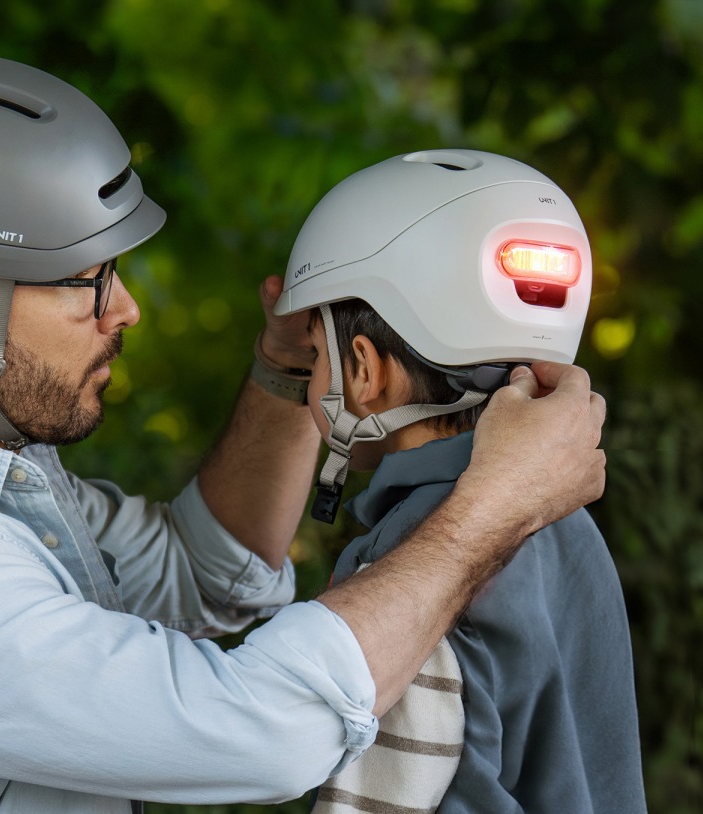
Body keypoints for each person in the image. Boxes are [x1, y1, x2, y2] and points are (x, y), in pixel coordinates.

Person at [0, 52, 607, 813]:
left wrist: (287, 375)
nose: (127, 309)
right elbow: (265, 732)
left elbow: (202, 573)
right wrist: (495, 507)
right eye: (85, 282)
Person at [273, 149, 645, 813]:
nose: (308, 375)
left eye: (313, 353)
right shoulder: (568, 527)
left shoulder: (417, 561)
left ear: (363, 370)